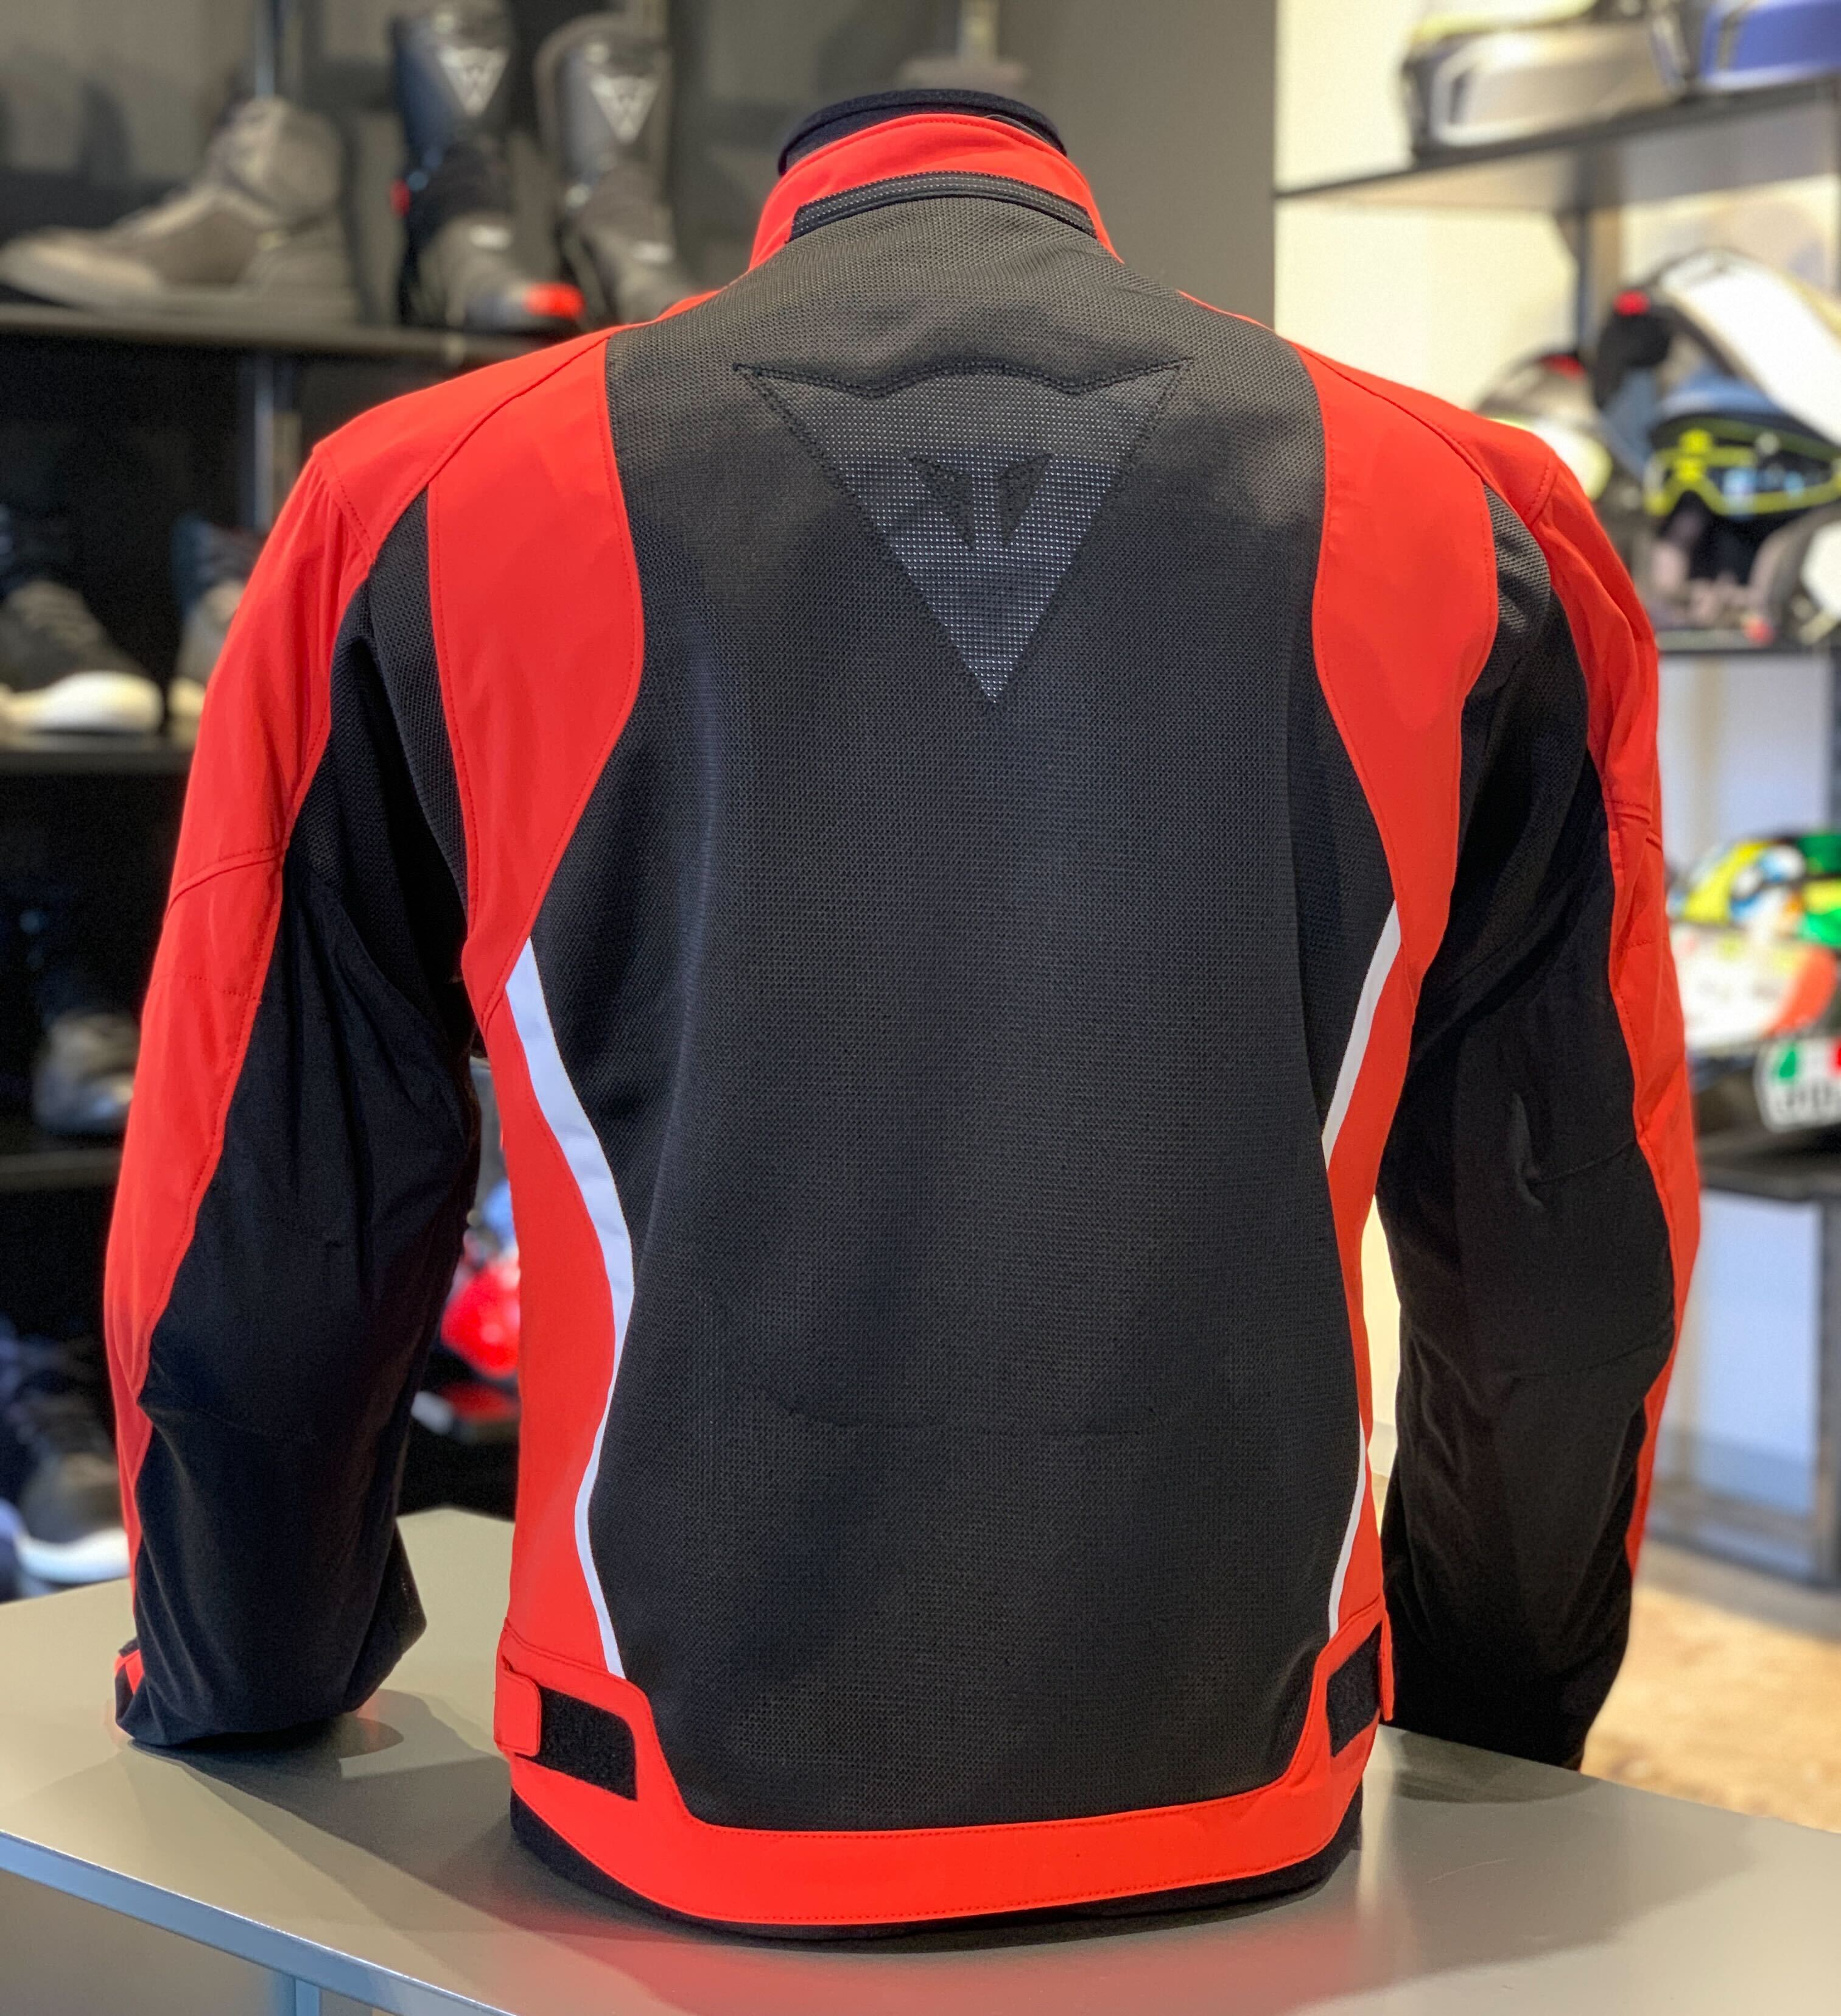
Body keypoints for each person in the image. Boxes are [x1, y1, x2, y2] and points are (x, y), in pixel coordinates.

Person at [103, 87, 1697, 1934]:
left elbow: (264, 1189)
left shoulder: (421, 502)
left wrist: (242, 1665)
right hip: (1245, 1766)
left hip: (656, 1777)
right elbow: (1566, 1240)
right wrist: (1493, 1715)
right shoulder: (1473, 515)